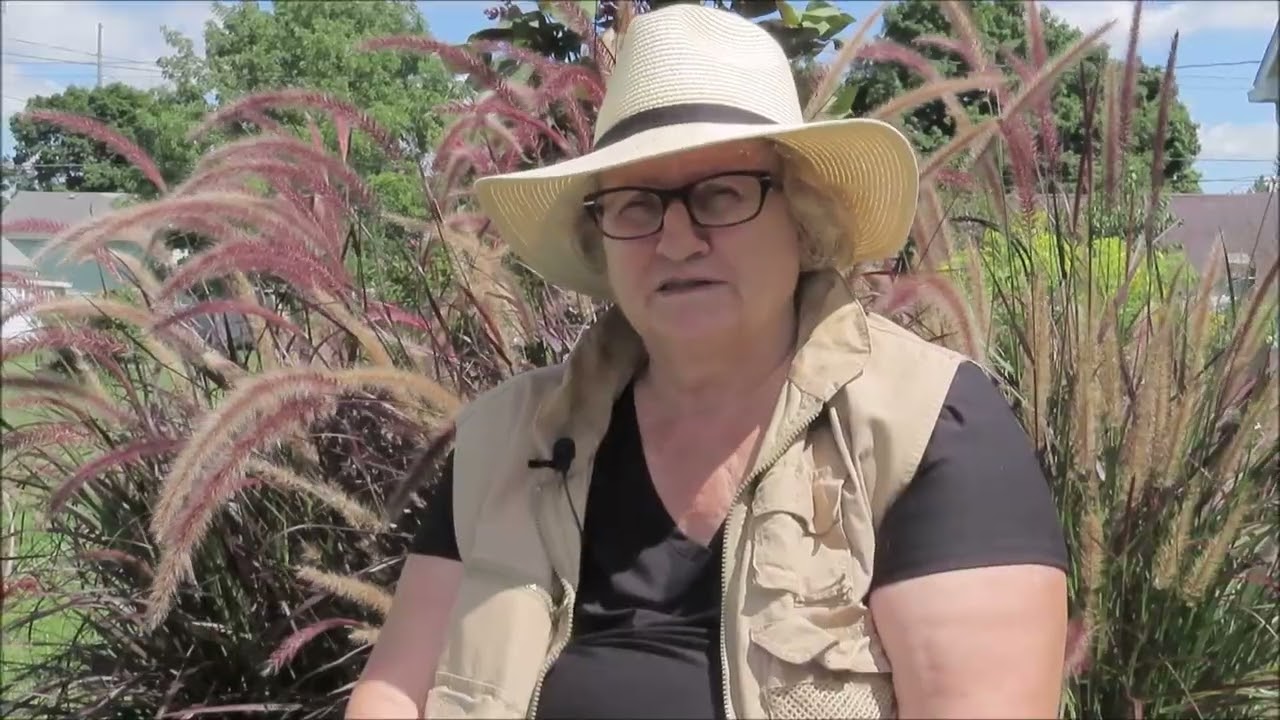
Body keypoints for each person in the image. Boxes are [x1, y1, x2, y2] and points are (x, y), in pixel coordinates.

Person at [345, 5, 1070, 719]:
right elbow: (395, 693)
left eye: (722, 195)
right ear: (602, 238)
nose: (677, 239)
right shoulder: (505, 440)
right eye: (636, 204)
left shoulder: (928, 428)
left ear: (803, 216)